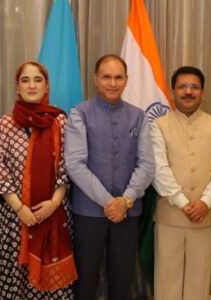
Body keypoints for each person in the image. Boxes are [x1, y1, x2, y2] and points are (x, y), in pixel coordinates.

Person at [64, 54, 155, 300]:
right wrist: (110, 202)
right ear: (95, 79)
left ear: (126, 80)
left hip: (128, 212)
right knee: (85, 278)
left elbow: (147, 163)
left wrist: (125, 200)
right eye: (106, 77)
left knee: (122, 278)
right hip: (89, 213)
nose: (112, 83)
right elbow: (75, 163)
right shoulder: (79, 114)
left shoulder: (139, 116)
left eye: (118, 77)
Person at [0, 61, 77, 299]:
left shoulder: (60, 121)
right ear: (17, 87)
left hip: (53, 213)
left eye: (37, 79)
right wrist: (20, 208)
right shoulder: (5, 124)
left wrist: (54, 203)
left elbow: (67, 165)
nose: (32, 85)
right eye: (25, 80)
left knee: (50, 287)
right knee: (15, 282)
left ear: (47, 86)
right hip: (14, 219)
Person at [151, 66, 211, 300]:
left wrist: (205, 201)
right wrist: (181, 201)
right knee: (167, 280)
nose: (188, 91)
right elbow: (159, 168)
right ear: (172, 92)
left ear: (203, 93)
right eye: (182, 87)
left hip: (204, 216)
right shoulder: (159, 126)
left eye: (194, 87)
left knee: (199, 281)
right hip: (169, 216)